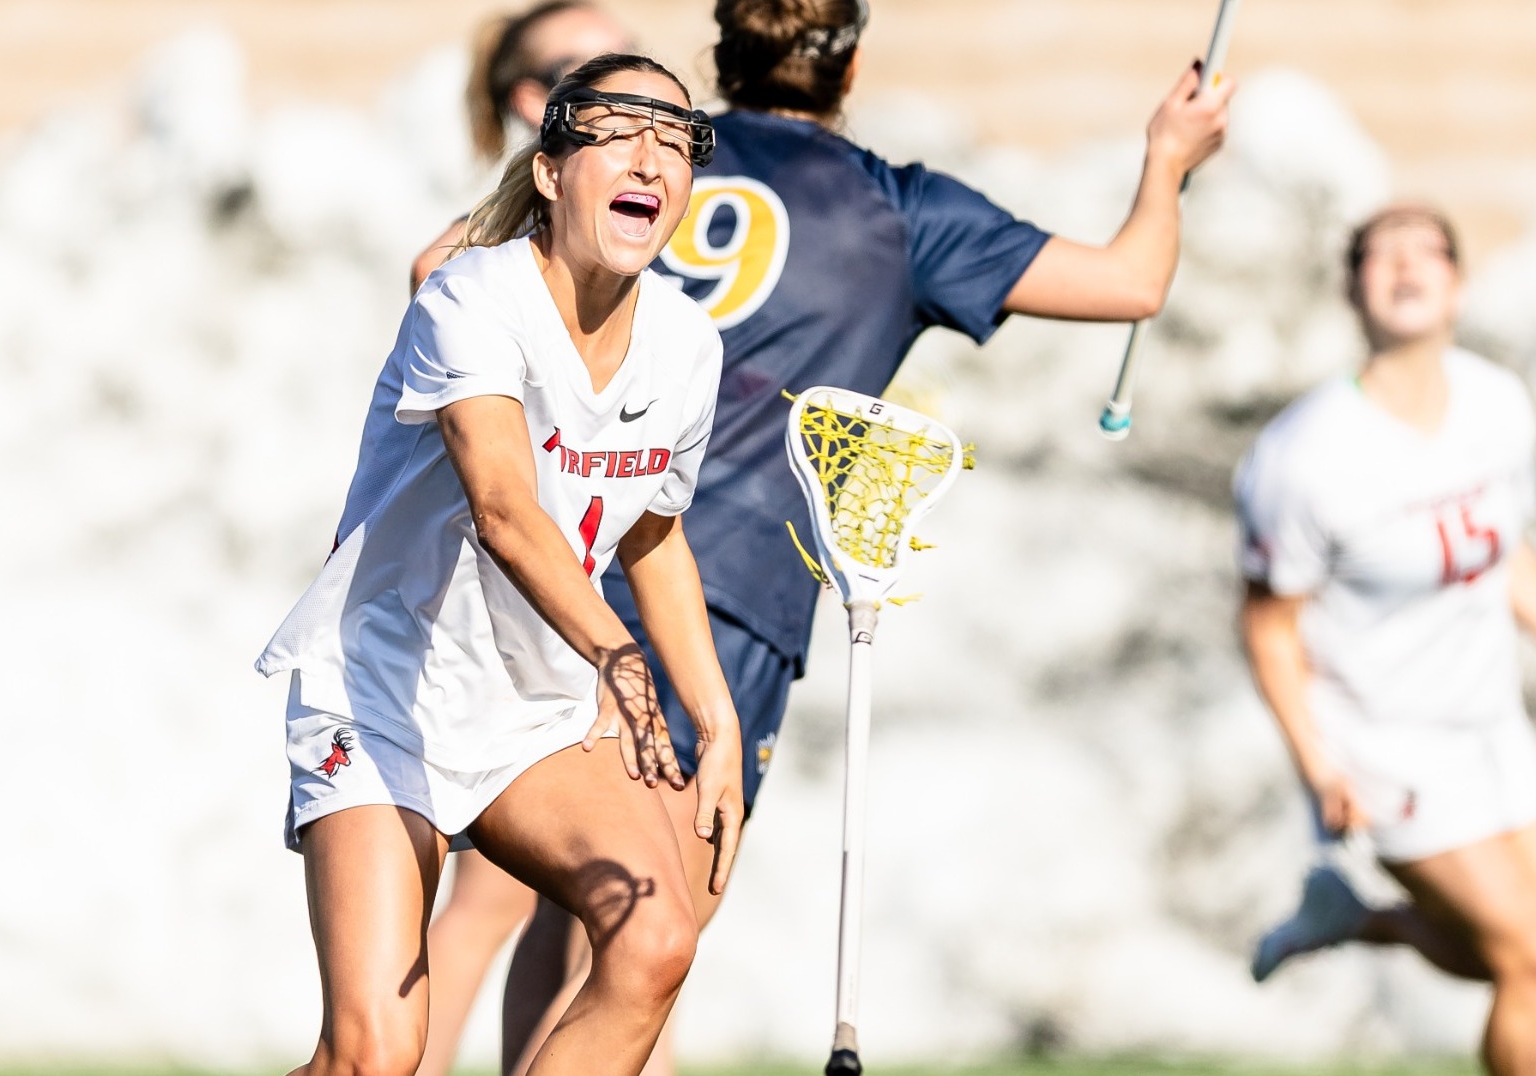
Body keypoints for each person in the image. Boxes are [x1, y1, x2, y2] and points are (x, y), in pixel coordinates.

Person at [498, 0, 1235, 1069]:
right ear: (846, 69)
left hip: (556, 547)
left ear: (722, 51)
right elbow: (1131, 280)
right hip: (722, 586)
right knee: (649, 938)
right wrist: (1168, 158)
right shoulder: (893, 211)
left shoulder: (644, 154)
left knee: (556, 911)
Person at [256, 53, 746, 1076]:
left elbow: (653, 532)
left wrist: (717, 716)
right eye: (616, 129)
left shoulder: (686, 347)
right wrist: (618, 655)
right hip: (384, 689)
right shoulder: (471, 298)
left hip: (530, 708)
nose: (648, 154)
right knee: (374, 1055)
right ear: (550, 171)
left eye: (674, 139)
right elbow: (504, 507)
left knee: (657, 941)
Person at [1236, 203, 1536, 1076]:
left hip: (1488, 725)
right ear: (1351, 290)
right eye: (1381, 257)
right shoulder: (1302, 453)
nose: (1405, 269)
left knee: (1497, 950)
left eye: (1427, 253)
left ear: (1457, 283)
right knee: (1526, 956)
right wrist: (1318, 766)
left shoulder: (1497, 401)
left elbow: (1510, 559)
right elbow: (1267, 626)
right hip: (1382, 745)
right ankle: (1356, 909)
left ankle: (1354, 918)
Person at [404, 8, 636, 1076]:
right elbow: (497, 482)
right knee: (497, 905)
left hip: (579, 595)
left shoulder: (608, 253)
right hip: (512, 614)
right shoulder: (470, 264)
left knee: (618, 915)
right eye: (576, 77)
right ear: (527, 107)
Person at [411, 2, 632, 293]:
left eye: (629, 59)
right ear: (533, 102)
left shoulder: (689, 175)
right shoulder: (462, 261)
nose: (626, 82)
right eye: (591, 70)